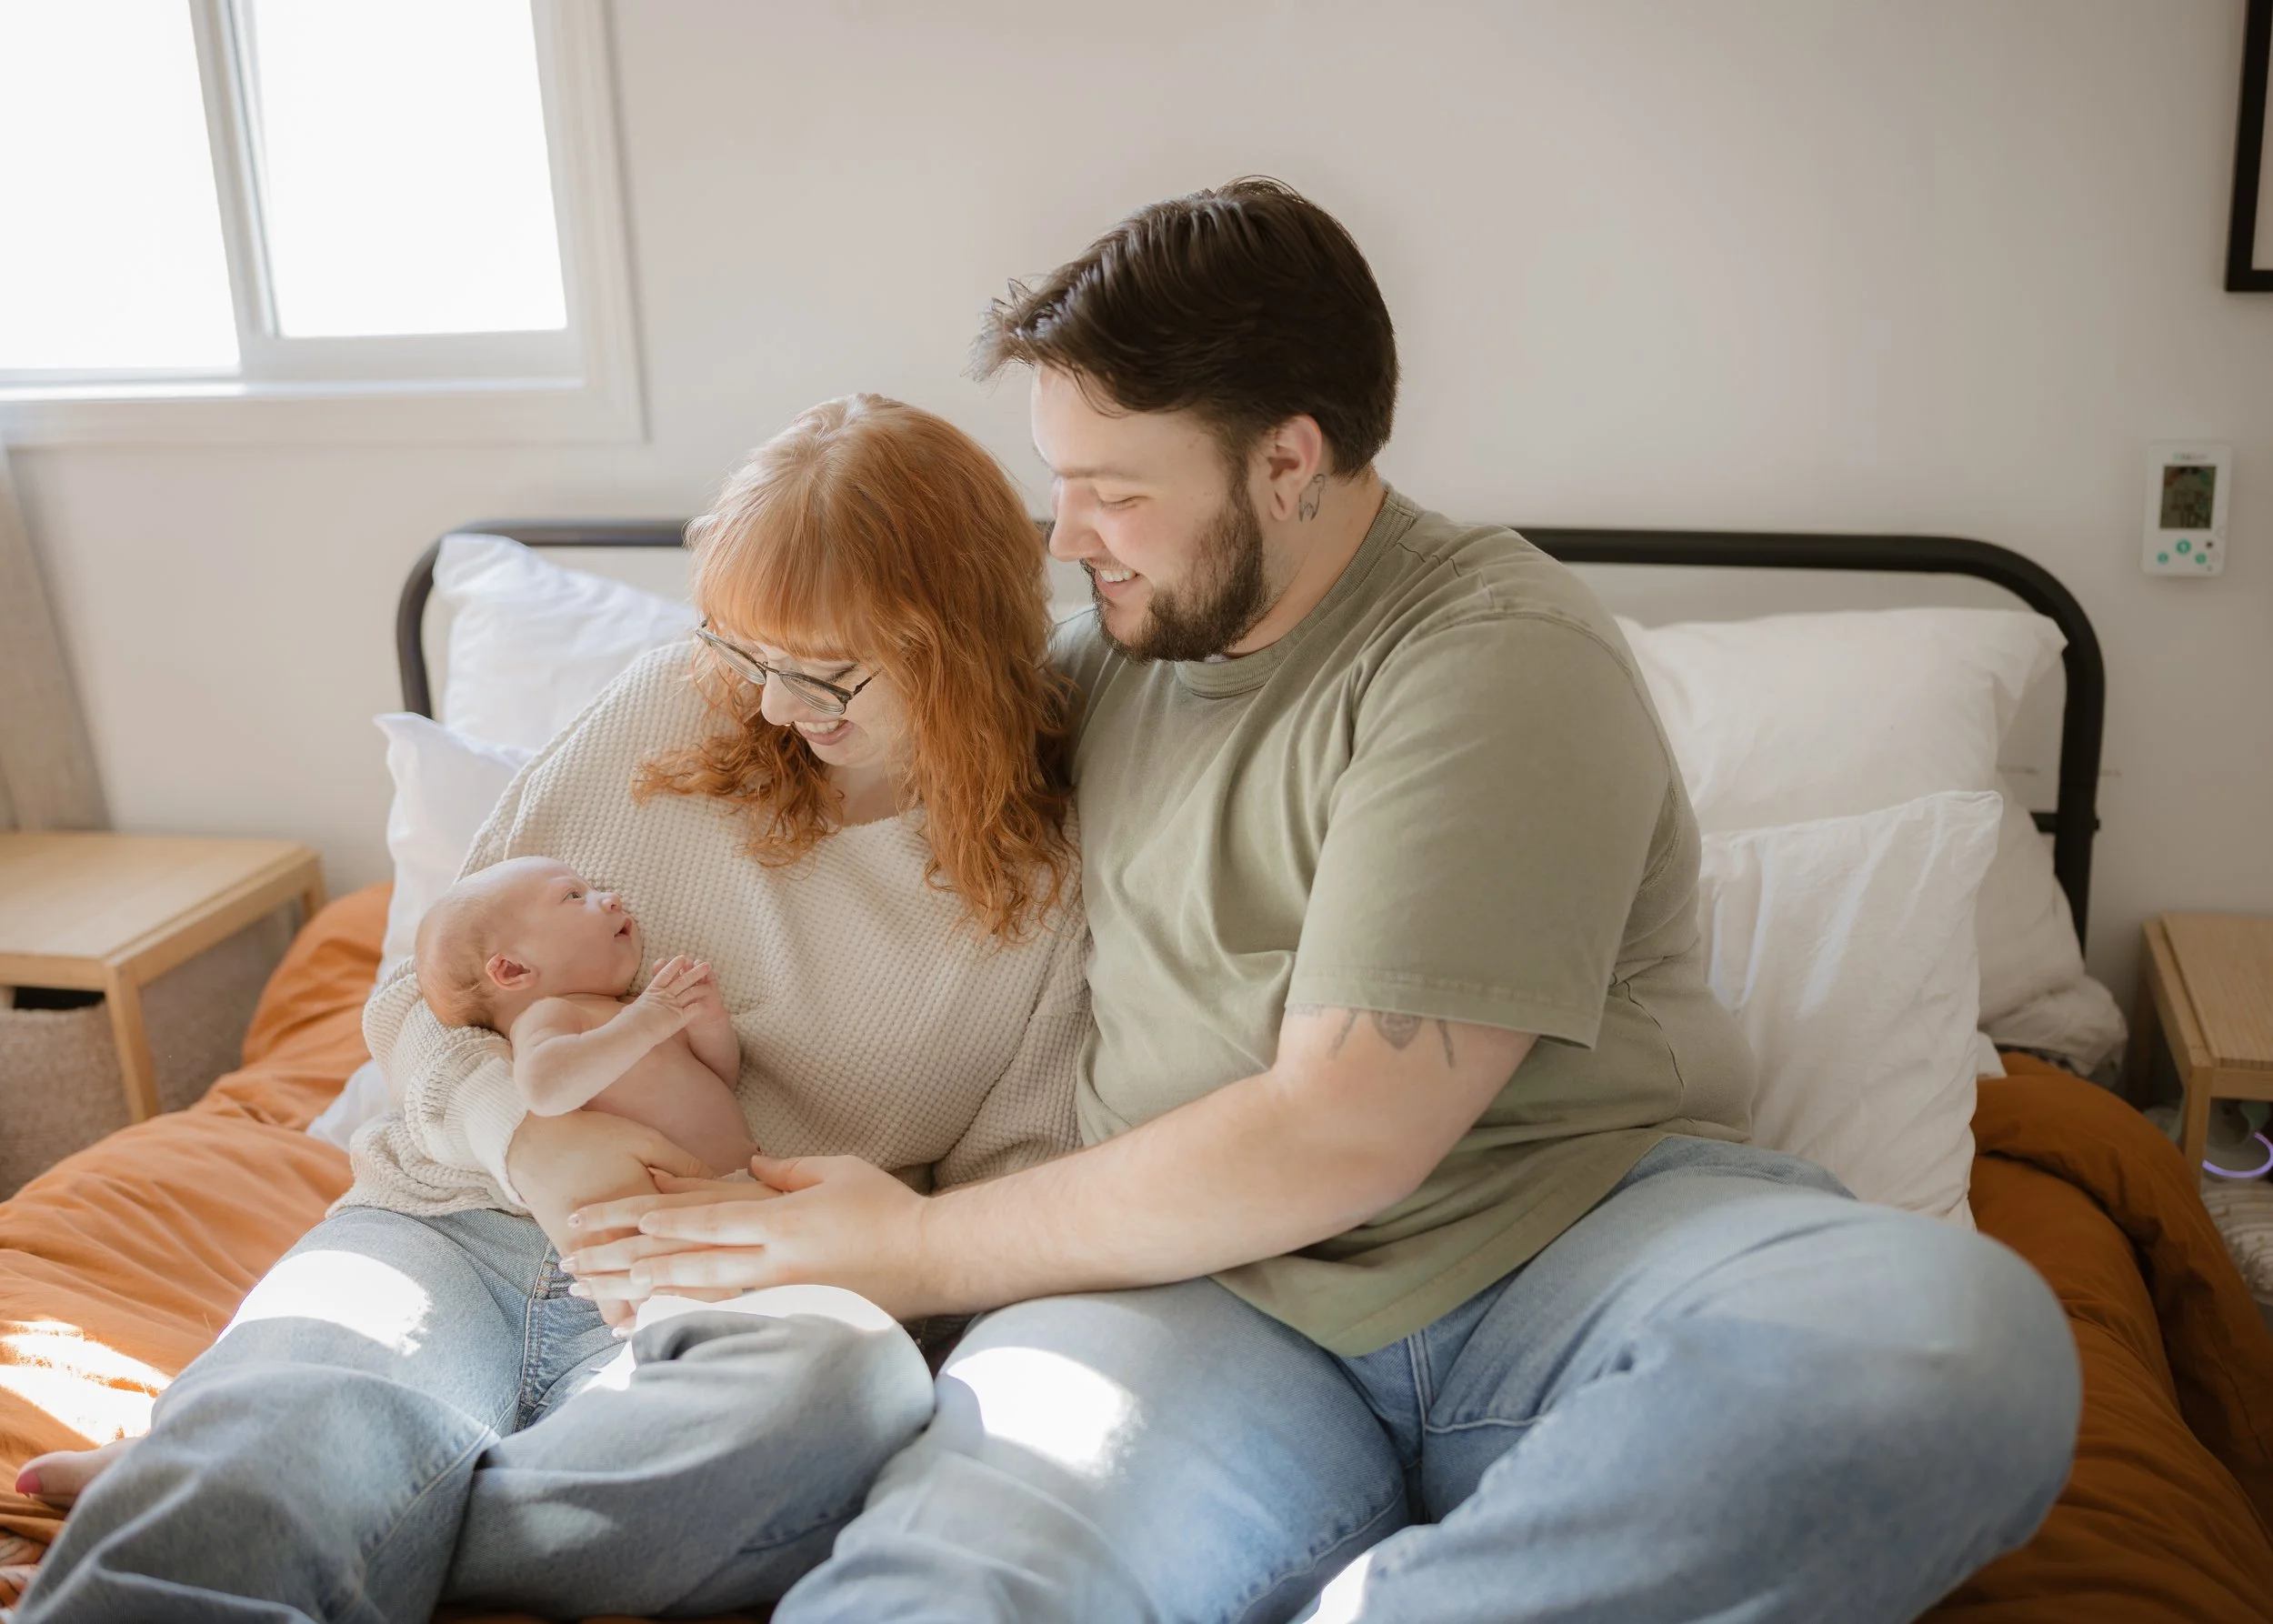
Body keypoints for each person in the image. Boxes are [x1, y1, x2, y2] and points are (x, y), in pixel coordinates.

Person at [566, 180, 2083, 1624]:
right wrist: (510, 905)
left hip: (1567, 1254)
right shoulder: (1106, 664)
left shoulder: (1493, 653)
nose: (1069, 536)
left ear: (1287, 463)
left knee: (1952, 1347)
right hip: (1199, 1313)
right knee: (961, 1573)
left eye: (1113, 491)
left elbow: (1346, 1126)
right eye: (1057, 487)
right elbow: (835, 737)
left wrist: (915, 1248)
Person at [16, 395, 1088, 1624]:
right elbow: (422, 991)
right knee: (323, 1375)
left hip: (732, 1287)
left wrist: (837, 1238)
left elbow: (1019, 1187)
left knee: (849, 1401)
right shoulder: (669, 707)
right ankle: (263, 1474)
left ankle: (269, 1496)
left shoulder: (1048, 878)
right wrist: (516, 1135)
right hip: (457, 1222)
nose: (775, 704)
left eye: (824, 670)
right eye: (746, 654)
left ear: (960, 633)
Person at [417, 857, 754, 1178]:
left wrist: (708, 1023)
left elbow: (722, 1081)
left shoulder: (635, 1009)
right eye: (574, 895)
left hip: (745, 1187)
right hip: (669, 1203)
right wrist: (649, 1018)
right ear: (513, 969)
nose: (612, 899)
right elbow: (545, 1090)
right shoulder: (550, 1015)